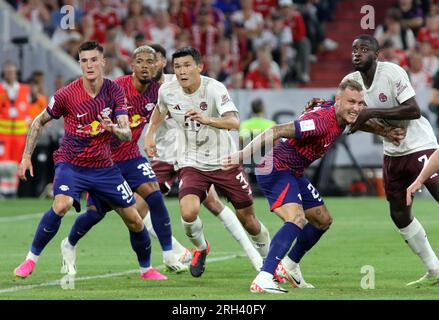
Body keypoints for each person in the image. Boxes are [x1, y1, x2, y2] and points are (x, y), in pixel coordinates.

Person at [224, 80, 406, 293]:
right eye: (351, 102)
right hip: (275, 169)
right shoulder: (319, 123)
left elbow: (357, 121)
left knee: (322, 220)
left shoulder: (339, 112)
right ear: (338, 101)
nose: (356, 108)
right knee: (296, 219)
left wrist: (385, 132)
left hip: (294, 172)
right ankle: (264, 277)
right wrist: (242, 155)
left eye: (360, 103)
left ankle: (289, 267)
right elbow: (276, 130)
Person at [14, 41, 166, 281]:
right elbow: (38, 122)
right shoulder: (67, 94)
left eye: (94, 60)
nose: (89, 65)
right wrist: (25, 157)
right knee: (61, 205)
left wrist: (114, 128)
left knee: (135, 220)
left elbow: (126, 134)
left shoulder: (114, 92)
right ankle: (30, 260)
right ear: (80, 64)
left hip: (105, 167)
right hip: (71, 164)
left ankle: (146, 269)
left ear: (102, 62)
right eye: (84, 61)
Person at [60, 45, 187, 276]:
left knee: (154, 195)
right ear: (133, 65)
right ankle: (68, 243)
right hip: (105, 162)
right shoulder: (116, 88)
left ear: (158, 65)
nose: (145, 66)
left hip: (131, 157)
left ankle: (169, 254)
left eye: (151, 61)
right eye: (140, 62)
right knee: (95, 213)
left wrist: (150, 136)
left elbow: (166, 112)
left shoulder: (158, 92)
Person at [144, 47, 271, 278]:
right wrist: (150, 134)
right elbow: (159, 113)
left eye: (187, 65)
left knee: (250, 221)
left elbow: (234, 122)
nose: (182, 71)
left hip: (225, 161)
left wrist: (207, 119)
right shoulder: (168, 91)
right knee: (188, 212)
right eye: (178, 67)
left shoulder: (214, 88)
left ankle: (269, 262)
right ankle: (201, 249)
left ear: (199, 67)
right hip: (191, 161)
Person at [343, 34, 439, 286]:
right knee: (398, 212)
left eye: (364, 49)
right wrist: (383, 130)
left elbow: (414, 109)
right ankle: (434, 267)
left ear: (376, 55)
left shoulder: (392, 73)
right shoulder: (349, 82)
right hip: (393, 151)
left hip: (420, 144)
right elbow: (350, 118)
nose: (357, 53)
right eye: (354, 49)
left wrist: (371, 111)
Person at [0, 61, 31, 198]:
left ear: (16, 74)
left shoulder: (25, 89)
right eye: (8, 72)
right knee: (3, 164)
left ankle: (13, 192)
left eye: (12, 72)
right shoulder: (0, 89)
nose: (10, 75)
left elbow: (29, 109)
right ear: (4, 74)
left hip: (20, 135)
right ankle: (3, 192)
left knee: (16, 164)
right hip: (3, 134)